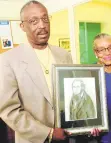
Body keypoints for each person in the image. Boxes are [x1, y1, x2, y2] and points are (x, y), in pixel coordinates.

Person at [0, 1, 72, 143]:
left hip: (68, 136)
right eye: (34, 21)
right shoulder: (8, 60)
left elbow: (72, 95)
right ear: (22, 26)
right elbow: (9, 110)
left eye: (45, 19)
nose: (42, 25)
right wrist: (49, 133)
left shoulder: (64, 55)